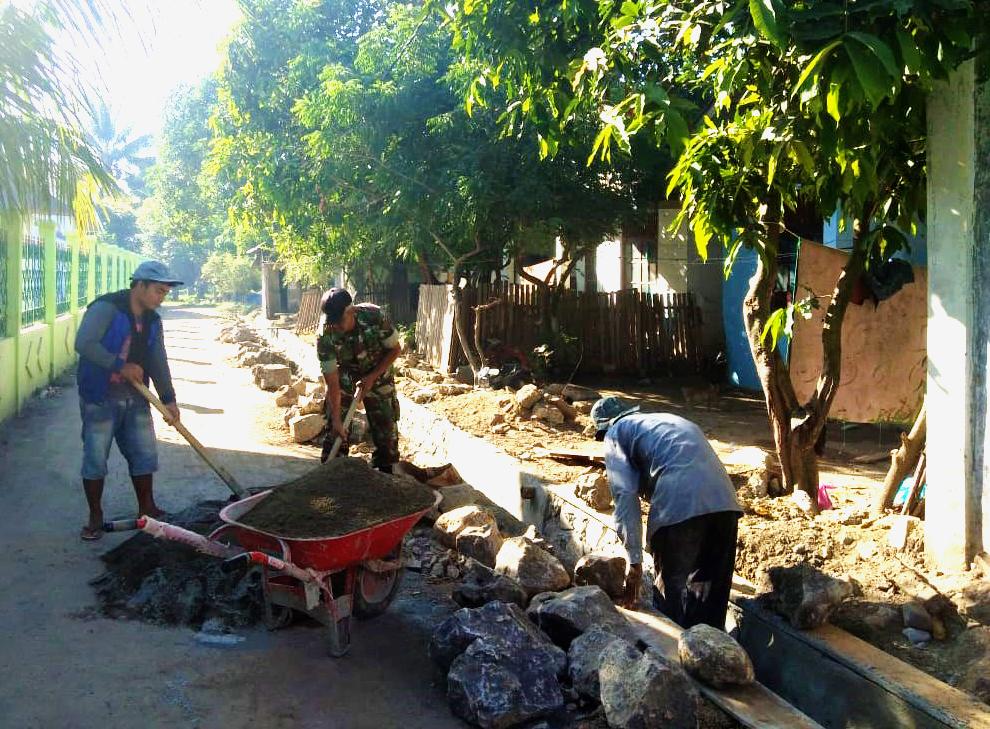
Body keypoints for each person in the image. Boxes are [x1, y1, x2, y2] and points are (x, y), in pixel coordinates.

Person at [591, 396, 742, 629]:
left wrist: (634, 561)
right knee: (709, 594)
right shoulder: (664, 421)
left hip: (680, 504)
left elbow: (625, 497)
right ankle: (709, 655)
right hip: (725, 504)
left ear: (605, 427)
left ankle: (667, 657)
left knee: (668, 593)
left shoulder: (616, 433)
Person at [74, 260, 183, 541]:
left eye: (164, 293)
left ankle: (148, 508)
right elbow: (84, 344)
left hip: (136, 396)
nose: (161, 298)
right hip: (99, 395)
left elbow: (158, 361)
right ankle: (95, 516)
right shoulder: (106, 309)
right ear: (140, 285)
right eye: (158, 291)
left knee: (144, 454)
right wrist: (119, 365)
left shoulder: (153, 320)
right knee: (96, 457)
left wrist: (169, 399)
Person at [316, 288, 402, 472]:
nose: (337, 327)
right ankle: (331, 474)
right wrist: (338, 419)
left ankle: (386, 474)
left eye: (341, 322)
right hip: (346, 375)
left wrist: (372, 377)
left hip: (379, 372)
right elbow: (331, 381)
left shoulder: (375, 316)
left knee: (386, 431)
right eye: (333, 323)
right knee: (334, 428)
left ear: (351, 311)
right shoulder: (325, 333)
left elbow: (395, 350)